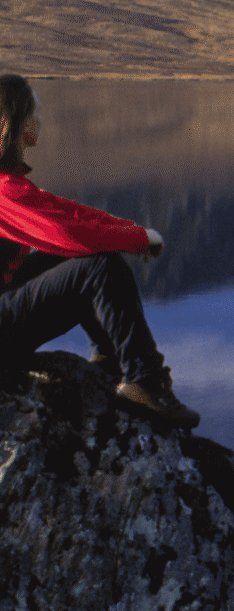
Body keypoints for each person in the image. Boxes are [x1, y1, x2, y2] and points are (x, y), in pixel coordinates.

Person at [0, 73, 199, 430]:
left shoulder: (9, 183)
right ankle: (146, 381)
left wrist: (130, 232)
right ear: (15, 122)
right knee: (98, 267)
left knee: (88, 256)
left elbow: (64, 211)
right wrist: (137, 240)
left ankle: (110, 360)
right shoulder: (5, 190)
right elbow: (65, 231)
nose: (40, 119)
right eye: (35, 111)